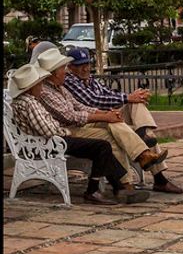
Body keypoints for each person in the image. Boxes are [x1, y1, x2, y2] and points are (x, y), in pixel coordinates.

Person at [35, 47, 166, 196]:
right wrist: (107, 115)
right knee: (111, 135)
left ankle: (144, 143)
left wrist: (106, 113)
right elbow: (71, 116)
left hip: (83, 121)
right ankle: (127, 182)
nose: (65, 71)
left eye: (87, 64)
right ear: (53, 73)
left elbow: (80, 106)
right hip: (69, 130)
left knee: (126, 113)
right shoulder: (49, 91)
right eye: (62, 68)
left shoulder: (60, 87)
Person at [8, 63, 142, 206]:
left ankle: (119, 187)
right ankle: (94, 191)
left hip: (53, 140)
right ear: (31, 87)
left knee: (103, 146)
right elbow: (49, 131)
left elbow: (72, 112)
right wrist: (67, 131)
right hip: (51, 143)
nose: (41, 86)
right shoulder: (29, 103)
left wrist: (104, 114)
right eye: (39, 83)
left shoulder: (29, 100)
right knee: (102, 147)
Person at [64, 47, 182, 193]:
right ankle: (148, 175)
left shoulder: (91, 80)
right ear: (70, 67)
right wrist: (126, 98)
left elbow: (110, 94)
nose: (86, 68)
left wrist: (131, 97)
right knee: (114, 121)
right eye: (81, 65)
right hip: (89, 121)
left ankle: (144, 134)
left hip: (101, 114)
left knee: (136, 103)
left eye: (87, 64)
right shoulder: (69, 81)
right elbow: (92, 101)